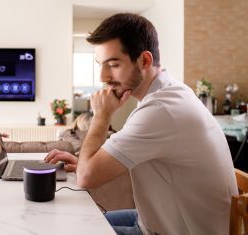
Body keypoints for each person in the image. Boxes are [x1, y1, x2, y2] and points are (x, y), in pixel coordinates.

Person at [45, 13, 238, 235]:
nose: (103, 77)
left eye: (113, 64)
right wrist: (84, 162)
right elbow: (102, 165)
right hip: (156, 220)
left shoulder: (160, 111)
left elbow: (87, 178)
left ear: (144, 60)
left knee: (64, 229)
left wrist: (101, 115)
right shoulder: (170, 93)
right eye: (100, 65)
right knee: (72, 221)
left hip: (182, 231)